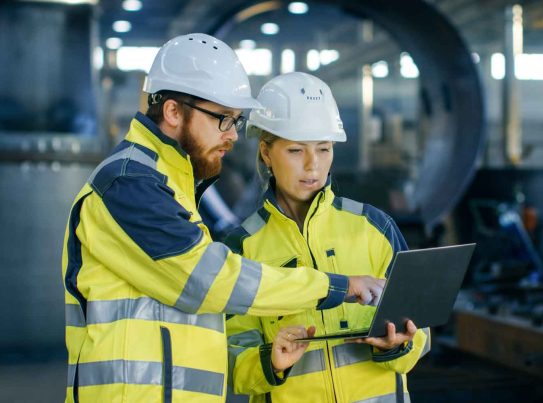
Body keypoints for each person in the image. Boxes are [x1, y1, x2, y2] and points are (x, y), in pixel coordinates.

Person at [61, 34, 385, 403]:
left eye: (235, 120)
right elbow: (210, 281)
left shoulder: (170, 184)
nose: (232, 135)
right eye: (223, 119)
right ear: (172, 112)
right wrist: (333, 286)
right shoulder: (129, 183)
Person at [225, 72, 431, 403]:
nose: (313, 166)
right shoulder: (242, 248)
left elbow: (421, 329)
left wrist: (401, 343)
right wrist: (270, 363)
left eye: (323, 149)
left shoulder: (374, 227)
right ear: (266, 152)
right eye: (295, 150)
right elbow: (232, 358)